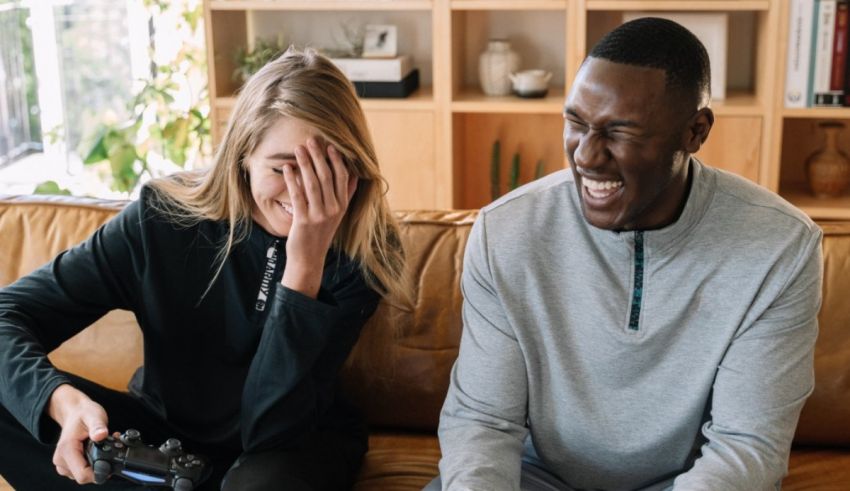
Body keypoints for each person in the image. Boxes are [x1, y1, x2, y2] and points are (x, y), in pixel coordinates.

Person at [430, 18, 822, 491]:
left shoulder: (780, 247)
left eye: (621, 132)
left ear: (695, 132)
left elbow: (746, 446)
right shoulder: (505, 232)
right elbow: (483, 423)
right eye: (576, 123)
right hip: (535, 480)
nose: (587, 157)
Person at [0, 47, 410, 490]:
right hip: (164, 437)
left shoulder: (364, 251)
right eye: (283, 168)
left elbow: (269, 430)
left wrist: (304, 264)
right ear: (243, 157)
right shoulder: (160, 219)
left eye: (327, 170)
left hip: (291, 446)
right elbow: (7, 314)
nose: (303, 191)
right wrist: (58, 402)